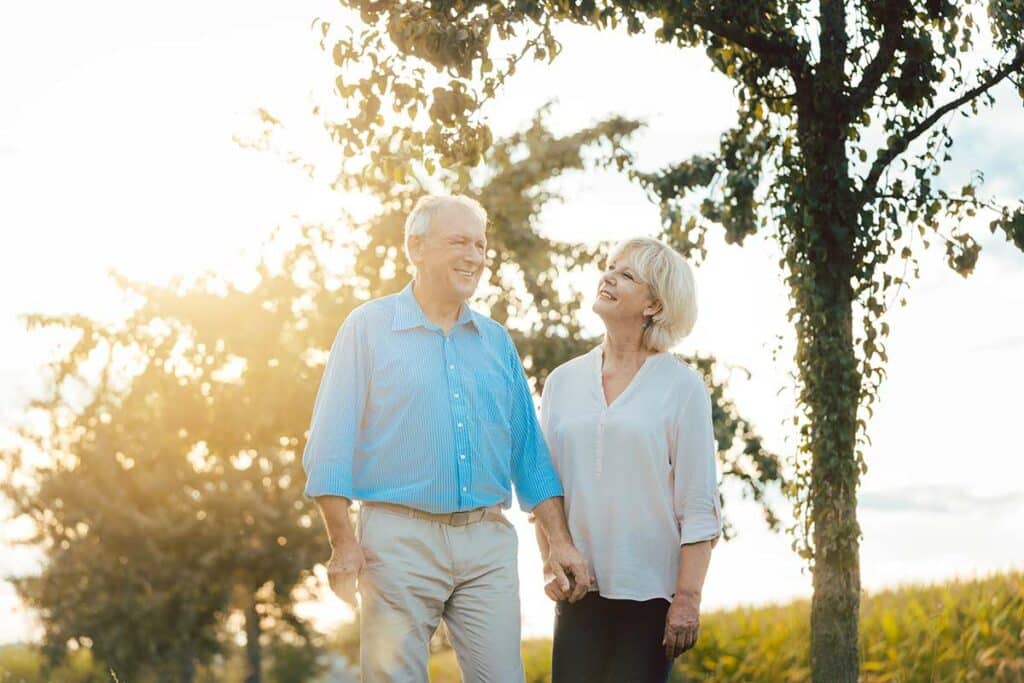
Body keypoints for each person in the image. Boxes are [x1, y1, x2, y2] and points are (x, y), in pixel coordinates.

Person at [301, 194, 591, 683]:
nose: (474, 256)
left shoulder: (495, 340)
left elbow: (528, 451)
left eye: (480, 246)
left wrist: (560, 542)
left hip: (487, 542)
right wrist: (342, 540)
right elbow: (330, 442)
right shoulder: (368, 328)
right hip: (397, 542)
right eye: (459, 242)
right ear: (416, 247)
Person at [536, 236, 722, 682]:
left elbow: (698, 506)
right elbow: (547, 488)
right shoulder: (562, 382)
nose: (608, 277)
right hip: (579, 594)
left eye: (626, 275)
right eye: (609, 268)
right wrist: (549, 562)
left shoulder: (682, 387)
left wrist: (688, 599)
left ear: (653, 305)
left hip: (652, 600)